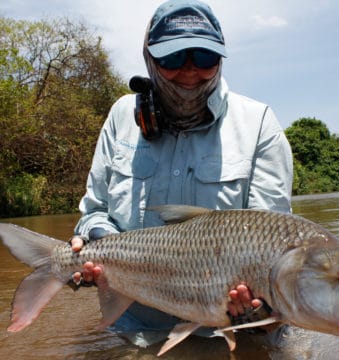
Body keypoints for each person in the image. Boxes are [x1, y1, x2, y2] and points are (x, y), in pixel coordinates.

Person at [71, 0, 293, 348]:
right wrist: (99, 246)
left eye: (204, 59)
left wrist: (260, 312)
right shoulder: (120, 116)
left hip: (233, 333)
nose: (190, 72)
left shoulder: (260, 124)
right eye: (173, 59)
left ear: (220, 58)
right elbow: (95, 210)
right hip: (134, 330)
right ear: (149, 59)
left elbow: (274, 245)